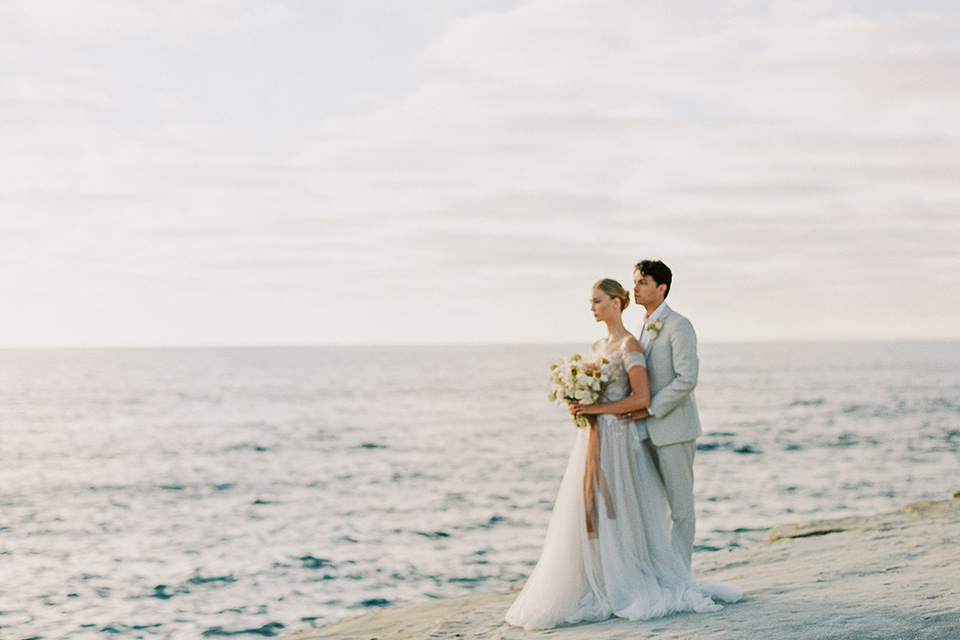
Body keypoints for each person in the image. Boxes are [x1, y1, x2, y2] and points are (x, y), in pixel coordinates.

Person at [504, 278, 741, 631]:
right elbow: (598, 394)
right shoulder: (598, 343)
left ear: (617, 303)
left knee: (624, 507)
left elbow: (641, 399)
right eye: (591, 302)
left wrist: (595, 408)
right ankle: (597, 576)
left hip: (620, 438)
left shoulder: (630, 344)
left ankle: (629, 577)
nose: (592, 307)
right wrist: (579, 406)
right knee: (593, 506)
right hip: (595, 438)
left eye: (598, 301)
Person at [619, 260, 701, 573]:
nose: (635, 288)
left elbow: (686, 378)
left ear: (661, 288)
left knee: (681, 509)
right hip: (645, 431)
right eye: (635, 281)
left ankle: (680, 574)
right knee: (652, 507)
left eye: (642, 282)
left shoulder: (679, 325)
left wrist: (650, 408)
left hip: (674, 430)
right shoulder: (642, 324)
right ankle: (657, 569)